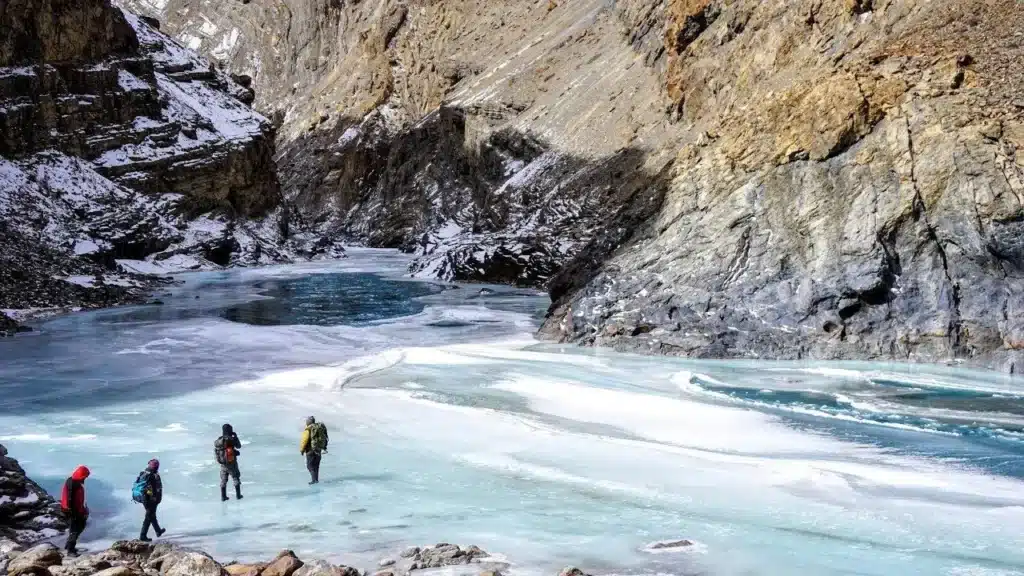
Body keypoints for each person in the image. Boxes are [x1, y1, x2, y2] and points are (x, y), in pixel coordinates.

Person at [59, 465, 90, 555]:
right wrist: (74, 513)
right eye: (85, 476)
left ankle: (68, 546)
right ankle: (70, 550)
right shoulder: (73, 484)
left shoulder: (74, 481)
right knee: (75, 529)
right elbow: (69, 500)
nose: (85, 478)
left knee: (80, 526)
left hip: (75, 510)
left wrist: (83, 509)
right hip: (71, 511)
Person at [136, 459, 165, 541]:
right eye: (157, 465)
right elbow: (151, 489)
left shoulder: (144, 472)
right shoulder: (152, 475)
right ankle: (143, 536)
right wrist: (154, 498)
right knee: (148, 517)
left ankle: (158, 531)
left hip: (145, 498)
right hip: (150, 500)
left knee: (151, 515)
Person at [214, 423, 243, 501]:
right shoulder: (230, 439)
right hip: (231, 462)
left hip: (223, 463)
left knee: (223, 479)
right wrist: (235, 437)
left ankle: (223, 497)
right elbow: (238, 446)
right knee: (235, 477)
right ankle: (238, 495)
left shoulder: (219, 440)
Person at [299, 416, 329, 485]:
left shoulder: (308, 429)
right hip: (318, 449)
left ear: (308, 422)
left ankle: (314, 480)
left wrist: (302, 450)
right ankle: (316, 479)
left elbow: (304, 440)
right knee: (316, 466)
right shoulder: (319, 428)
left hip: (310, 450)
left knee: (310, 466)